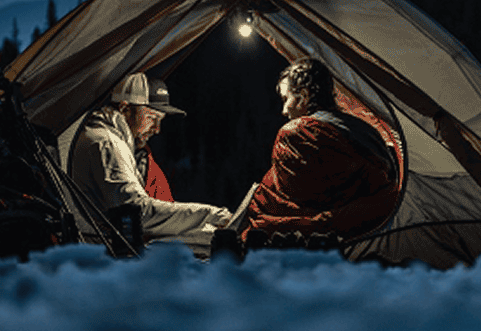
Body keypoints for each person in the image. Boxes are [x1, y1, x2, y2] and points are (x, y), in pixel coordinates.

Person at [242, 56, 401, 251]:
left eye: (286, 99)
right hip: (378, 224)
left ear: (304, 95)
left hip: (329, 236)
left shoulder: (299, 132)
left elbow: (294, 200)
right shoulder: (366, 130)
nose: (284, 110)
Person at [65, 72, 231, 252]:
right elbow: (137, 212)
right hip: (102, 252)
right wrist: (209, 214)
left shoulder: (107, 138)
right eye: (151, 118)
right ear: (124, 109)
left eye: (160, 121)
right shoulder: (107, 143)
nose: (157, 130)